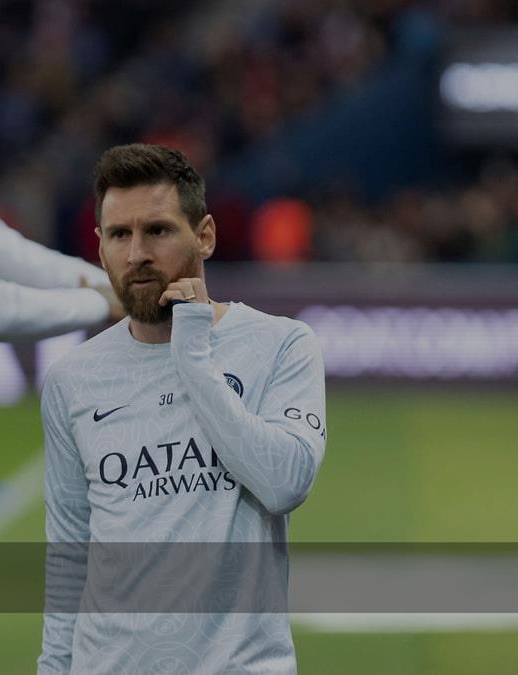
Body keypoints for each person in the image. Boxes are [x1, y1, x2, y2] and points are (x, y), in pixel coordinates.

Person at [37, 144, 327, 674]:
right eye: (119, 235)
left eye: (158, 231)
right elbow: (70, 557)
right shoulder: (71, 380)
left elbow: (285, 483)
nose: (137, 253)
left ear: (205, 235)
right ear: (99, 245)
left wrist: (192, 357)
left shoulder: (281, 345)